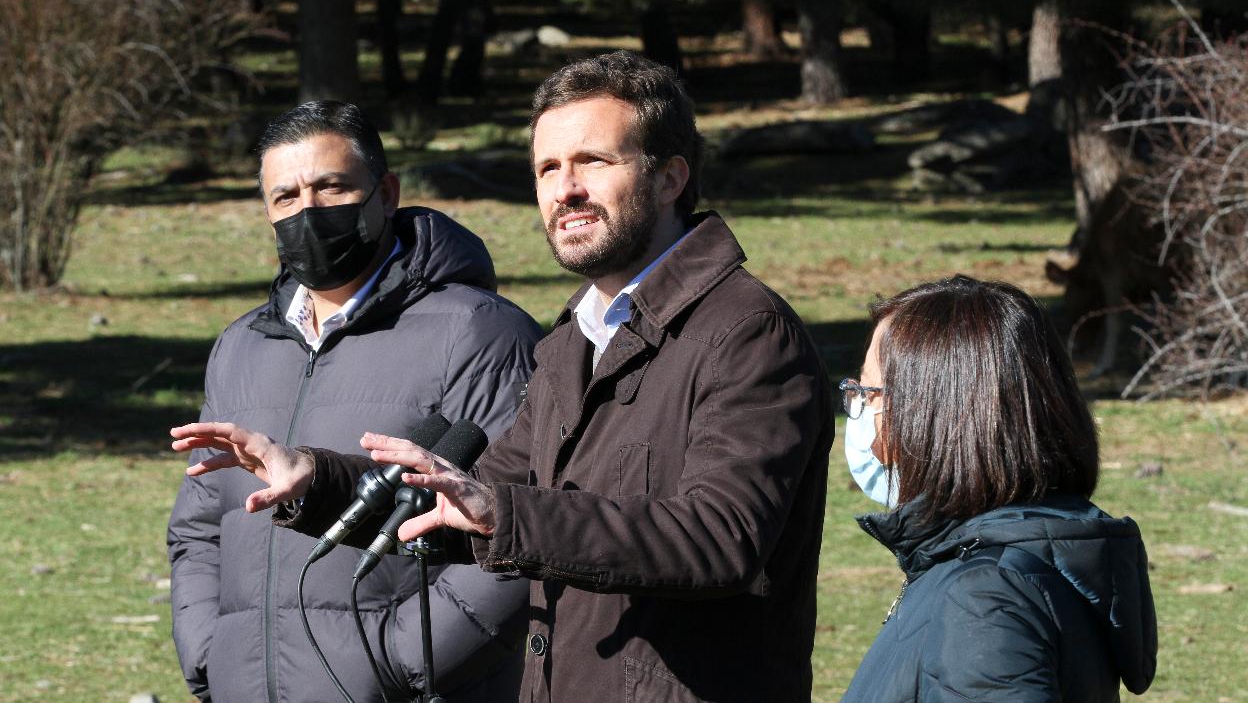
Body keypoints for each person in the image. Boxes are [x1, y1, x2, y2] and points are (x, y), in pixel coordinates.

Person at [172, 51, 835, 702]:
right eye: (547, 168)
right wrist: (316, 479)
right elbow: (475, 494)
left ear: (670, 178)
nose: (565, 188)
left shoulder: (746, 332)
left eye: (593, 162)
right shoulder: (572, 343)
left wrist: (503, 518)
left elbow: (722, 540)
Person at [166, 101, 543, 703]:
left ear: (386, 194)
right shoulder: (240, 348)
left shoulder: (479, 333)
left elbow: (516, 530)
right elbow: (199, 531)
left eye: (332, 187)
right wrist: (211, 659)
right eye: (285, 198)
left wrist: (396, 666)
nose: (307, 212)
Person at [838, 275, 1157, 702]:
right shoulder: (1006, 561)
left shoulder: (985, 599)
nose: (858, 407)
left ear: (935, 411)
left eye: (870, 391)